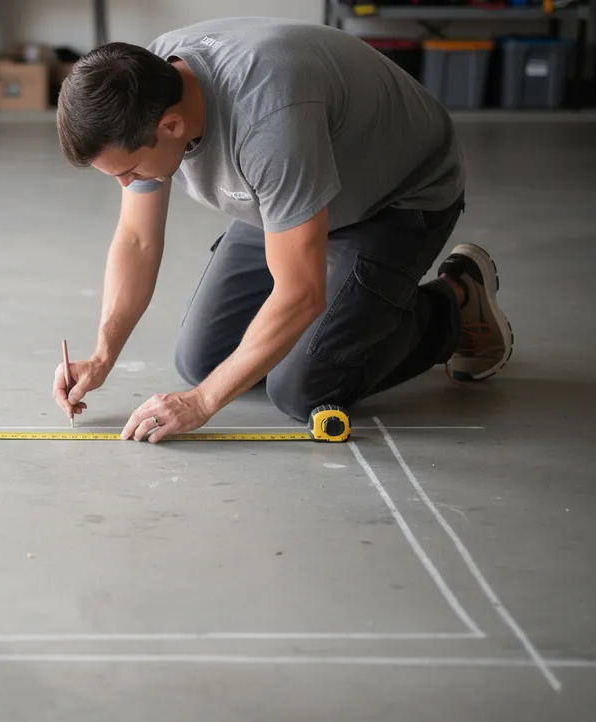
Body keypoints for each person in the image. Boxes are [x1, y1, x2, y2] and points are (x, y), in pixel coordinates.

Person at [50, 17, 512, 443]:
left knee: (301, 389)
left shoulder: (268, 119)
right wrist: (102, 354)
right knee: (203, 361)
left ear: (170, 125)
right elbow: (137, 238)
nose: (127, 185)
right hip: (288, 194)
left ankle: (455, 302)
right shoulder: (147, 82)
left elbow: (301, 293)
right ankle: (364, 305)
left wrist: (202, 402)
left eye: (127, 171)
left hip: (394, 197)